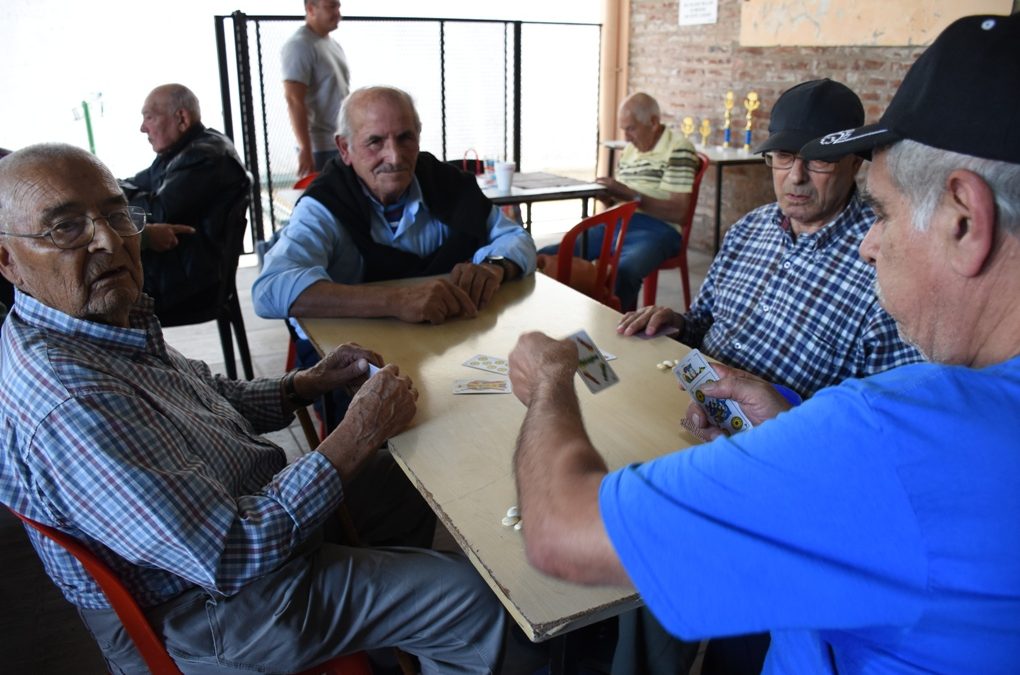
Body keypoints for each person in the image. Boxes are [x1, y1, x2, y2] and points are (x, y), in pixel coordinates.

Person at [506, 13, 1020, 674]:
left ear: (965, 219)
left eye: (884, 212)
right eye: (783, 158)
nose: (870, 244)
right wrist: (781, 414)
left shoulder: (892, 430)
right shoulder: (754, 234)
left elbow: (561, 532)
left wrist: (550, 377)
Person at [0, 143, 507, 674]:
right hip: (209, 608)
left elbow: (206, 397)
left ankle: (388, 637)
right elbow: (227, 553)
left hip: (244, 530)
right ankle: (413, 621)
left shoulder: (94, 327)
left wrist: (302, 385)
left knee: (410, 478)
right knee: (474, 601)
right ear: (8, 260)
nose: (108, 240)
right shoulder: (68, 399)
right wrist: (354, 436)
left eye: (116, 214)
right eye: (66, 227)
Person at [619, 79, 923, 401]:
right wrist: (678, 325)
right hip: (695, 401)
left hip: (788, 431)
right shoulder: (749, 228)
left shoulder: (883, 261)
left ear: (854, 162)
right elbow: (702, 321)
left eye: (819, 159)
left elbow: (889, 412)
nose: (796, 176)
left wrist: (786, 411)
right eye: (783, 156)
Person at [253, 85, 537, 326]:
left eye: (405, 138)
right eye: (375, 142)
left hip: (447, 339)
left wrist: (495, 266)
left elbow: (517, 238)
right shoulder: (326, 204)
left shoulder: (447, 184)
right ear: (344, 149)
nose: (395, 156)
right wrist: (395, 300)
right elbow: (271, 288)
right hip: (354, 353)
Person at [540, 92, 699, 312]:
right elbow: (623, 200)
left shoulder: (679, 148)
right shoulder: (630, 150)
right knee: (548, 255)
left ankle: (613, 326)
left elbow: (679, 212)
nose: (626, 138)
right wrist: (609, 197)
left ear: (653, 122)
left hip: (659, 229)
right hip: (617, 223)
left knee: (624, 271)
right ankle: (564, 313)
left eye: (631, 129)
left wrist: (632, 196)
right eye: (623, 129)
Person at [120, 83, 251, 324]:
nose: (142, 128)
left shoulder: (204, 156)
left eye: (149, 117)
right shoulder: (180, 150)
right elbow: (136, 184)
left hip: (191, 286)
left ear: (181, 118)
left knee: (101, 300)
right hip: (183, 273)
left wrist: (115, 202)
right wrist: (114, 193)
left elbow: (157, 211)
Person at [282, 0, 351, 177]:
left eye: (338, 7)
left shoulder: (332, 44)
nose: (337, 13)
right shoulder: (299, 45)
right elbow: (294, 100)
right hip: (320, 148)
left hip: (341, 141)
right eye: (331, 7)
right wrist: (306, 148)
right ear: (311, 9)